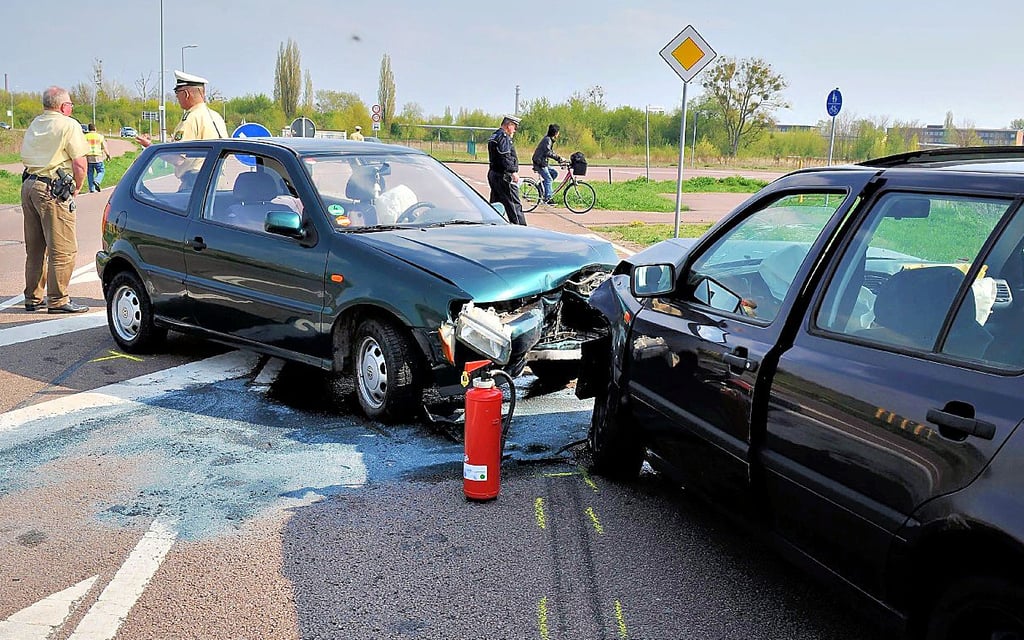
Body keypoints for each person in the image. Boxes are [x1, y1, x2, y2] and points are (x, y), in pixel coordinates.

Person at [19, 86, 90, 313]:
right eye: (70, 104)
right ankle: (58, 300)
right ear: (63, 106)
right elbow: (80, 163)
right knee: (63, 249)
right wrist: (78, 186)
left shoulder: (36, 123)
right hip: (52, 189)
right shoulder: (68, 124)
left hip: (29, 184)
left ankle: (33, 297)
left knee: (36, 249)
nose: (71, 108)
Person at [135, 70, 227, 190]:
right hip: (219, 183)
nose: (176, 97)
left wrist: (151, 147)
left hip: (197, 183)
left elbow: (178, 158)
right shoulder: (216, 116)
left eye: (177, 92)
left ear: (186, 94)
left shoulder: (191, 118)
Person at [487, 115, 526, 225]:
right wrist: (513, 171)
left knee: (495, 204)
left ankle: (492, 226)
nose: (515, 130)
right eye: (514, 127)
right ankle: (521, 229)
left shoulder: (494, 135)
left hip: (494, 173)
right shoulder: (503, 137)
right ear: (509, 125)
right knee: (513, 205)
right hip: (504, 175)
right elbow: (505, 156)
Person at [532, 123, 565, 204]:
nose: (558, 134)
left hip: (543, 162)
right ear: (555, 133)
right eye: (558, 132)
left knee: (554, 173)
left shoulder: (549, 140)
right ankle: (548, 198)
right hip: (540, 163)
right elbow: (548, 152)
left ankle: (540, 186)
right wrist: (559, 158)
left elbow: (550, 152)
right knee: (548, 179)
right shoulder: (547, 140)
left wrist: (560, 160)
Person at [84, 123, 111, 193]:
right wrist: (108, 155)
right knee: (101, 171)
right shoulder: (100, 137)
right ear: (95, 128)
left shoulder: (85, 137)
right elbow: (104, 147)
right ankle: (97, 181)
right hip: (98, 156)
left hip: (88, 157)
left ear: (88, 129)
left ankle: (92, 189)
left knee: (90, 173)